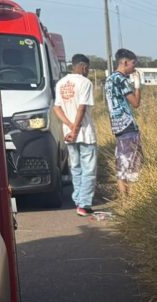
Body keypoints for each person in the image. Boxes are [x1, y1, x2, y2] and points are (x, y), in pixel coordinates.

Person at [54, 53, 97, 216]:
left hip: (69, 134)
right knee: (88, 169)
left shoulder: (61, 83)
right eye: (87, 68)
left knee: (76, 168)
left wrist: (69, 126)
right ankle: (84, 204)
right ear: (84, 67)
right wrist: (76, 129)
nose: (87, 71)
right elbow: (82, 107)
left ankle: (78, 200)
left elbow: (56, 108)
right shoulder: (85, 82)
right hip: (84, 134)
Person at [105, 48, 142, 198]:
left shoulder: (108, 80)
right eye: (133, 64)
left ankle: (123, 199)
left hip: (117, 126)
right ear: (125, 62)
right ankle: (132, 200)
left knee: (121, 165)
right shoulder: (121, 79)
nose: (134, 68)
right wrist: (138, 86)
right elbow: (135, 103)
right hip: (128, 125)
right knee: (133, 166)